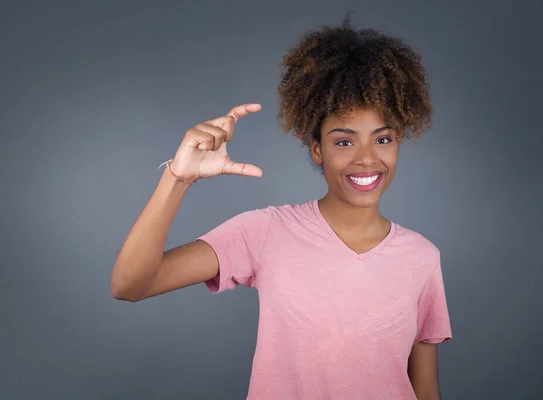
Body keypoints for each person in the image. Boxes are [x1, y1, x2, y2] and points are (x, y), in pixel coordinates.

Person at [111, 15, 452, 400]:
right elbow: (130, 284)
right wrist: (179, 177)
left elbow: (425, 390)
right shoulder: (266, 232)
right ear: (317, 149)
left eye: (383, 139)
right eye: (344, 142)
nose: (366, 158)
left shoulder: (422, 258)